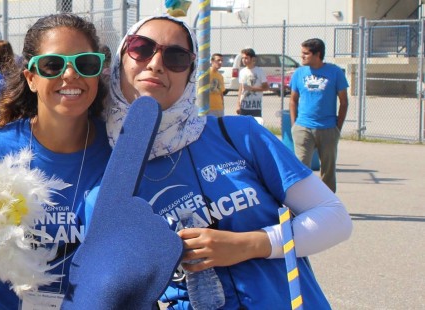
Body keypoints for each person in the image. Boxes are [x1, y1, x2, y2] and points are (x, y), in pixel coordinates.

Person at [109, 15, 352, 309]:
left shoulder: (238, 134)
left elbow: (334, 218)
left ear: (190, 74)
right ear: (121, 58)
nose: (156, 63)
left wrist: (249, 244)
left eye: (176, 56)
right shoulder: (108, 167)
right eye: (141, 48)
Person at [0, 13, 112, 310]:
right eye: (53, 65)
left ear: (98, 72)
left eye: (85, 63)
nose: (70, 75)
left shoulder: (119, 148)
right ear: (31, 78)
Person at [290, 38, 349, 193]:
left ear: (317, 54)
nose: (301, 57)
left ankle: (328, 205)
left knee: (328, 170)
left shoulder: (335, 72)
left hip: (328, 128)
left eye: (305, 54)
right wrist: (294, 125)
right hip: (303, 127)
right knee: (300, 169)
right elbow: (293, 100)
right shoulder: (299, 73)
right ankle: (301, 203)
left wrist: (337, 127)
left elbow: (343, 102)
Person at [237, 48, 267, 117]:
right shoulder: (242, 72)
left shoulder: (259, 71)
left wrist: (251, 88)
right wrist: (238, 105)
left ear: (252, 58)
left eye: (246, 58)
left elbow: (266, 87)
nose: (244, 60)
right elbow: (241, 89)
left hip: (255, 107)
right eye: (242, 58)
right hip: (244, 106)